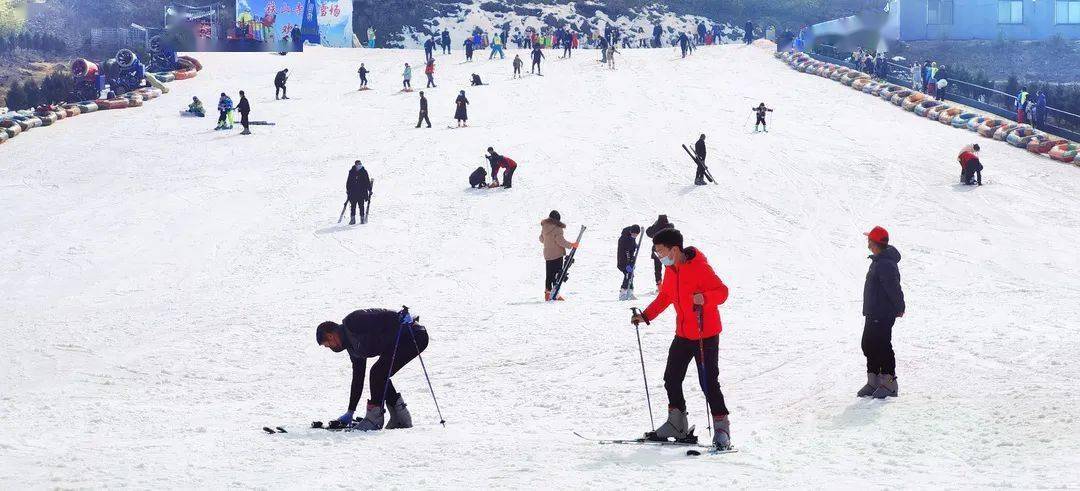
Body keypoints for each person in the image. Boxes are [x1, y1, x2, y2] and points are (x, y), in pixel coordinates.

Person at [630, 228, 732, 450]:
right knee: (671, 378)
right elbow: (665, 296)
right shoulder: (671, 270)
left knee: (708, 383)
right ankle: (677, 424)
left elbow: (723, 292)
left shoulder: (700, 268)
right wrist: (645, 316)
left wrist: (704, 298)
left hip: (706, 334)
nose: (659, 257)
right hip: (684, 334)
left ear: (674, 249)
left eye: (661, 252)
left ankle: (722, 428)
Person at [316, 307, 429, 431]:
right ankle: (400, 418)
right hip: (400, 341)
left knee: (378, 372)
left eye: (327, 342)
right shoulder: (353, 349)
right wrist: (350, 411)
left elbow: (382, 316)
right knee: (380, 373)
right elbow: (358, 378)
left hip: (413, 335)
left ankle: (374, 419)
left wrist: (400, 317)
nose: (328, 346)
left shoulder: (353, 321)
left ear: (331, 335)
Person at [856, 226, 905, 399]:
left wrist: (900, 307)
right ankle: (874, 381)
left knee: (882, 346)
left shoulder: (885, 264)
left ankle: (889, 384)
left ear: (875, 243)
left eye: (869, 240)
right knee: (868, 344)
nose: (867, 243)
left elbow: (894, 288)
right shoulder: (878, 261)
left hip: (883, 313)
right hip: (873, 311)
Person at [539, 210, 579, 301]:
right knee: (557, 275)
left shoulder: (544, 227)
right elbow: (560, 241)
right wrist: (572, 245)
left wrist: (548, 241)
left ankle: (547, 294)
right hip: (557, 255)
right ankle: (555, 293)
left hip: (548, 254)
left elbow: (541, 239)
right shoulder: (558, 228)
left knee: (549, 274)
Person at [645, 215, 674, 290]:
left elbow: (648, 232)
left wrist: (654, 224)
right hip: (666, 251)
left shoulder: (655, 228)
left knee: (657, 268)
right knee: (669, 268)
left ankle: (659, 285)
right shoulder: (669, 227)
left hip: (656, 251)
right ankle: (670, 284)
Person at [617, 225, 641, 300]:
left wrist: (636, 246)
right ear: (631, 232)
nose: (635, 236)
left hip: (629, 261)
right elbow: (627, 249)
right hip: (623, 261)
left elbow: (632, 246)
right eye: (634, 234)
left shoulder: (631, 237)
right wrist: (628, 262)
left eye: (636, 235)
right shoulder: (624, 238)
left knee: (631, 275)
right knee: (627, 275)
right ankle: (622, 293)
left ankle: (630, 292)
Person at [345, 160, 372, 225]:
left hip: (362, 192)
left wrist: (369, 190)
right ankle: (352, 220)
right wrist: (348, 190)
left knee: (361, 206)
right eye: (358, 164)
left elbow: (367, 182)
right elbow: (348, 182)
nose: (359, 165)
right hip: (353, 192)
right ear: (355, 165)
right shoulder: (352, 172)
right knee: (353, 206)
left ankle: (362, 219)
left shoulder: (364, 172)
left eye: (360, 164)